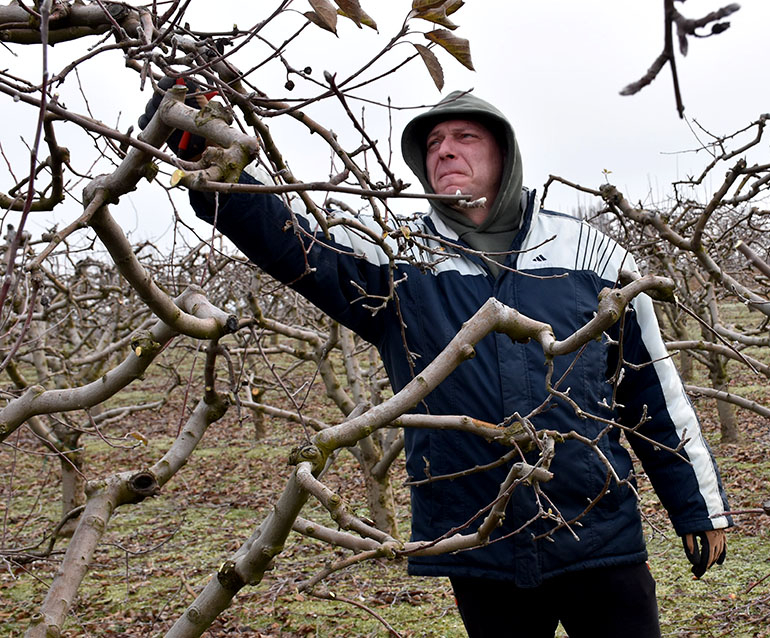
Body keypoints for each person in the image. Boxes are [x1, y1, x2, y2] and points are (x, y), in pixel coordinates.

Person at [166, 89, 730, 637]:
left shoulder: (590, 252)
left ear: (504, 155)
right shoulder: (396, 256)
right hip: (476, 539)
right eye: (433, 143)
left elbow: (651, 389)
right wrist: (212, 161)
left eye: (464, 137)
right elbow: (294, 243)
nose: (445, 150)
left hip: (596, 529)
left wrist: (697, 505)